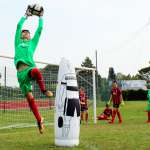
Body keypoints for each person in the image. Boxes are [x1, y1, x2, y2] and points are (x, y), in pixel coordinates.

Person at [14, 7, 53, 134]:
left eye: (27, 32)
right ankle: (39, 120)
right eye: (23, 32)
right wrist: (26, 15)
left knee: (36, 71)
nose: (25, 32)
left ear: (30, 36)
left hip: (29, 69)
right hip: (20, 75)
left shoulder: (32, 43)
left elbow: (40, 30)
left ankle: (44, 90)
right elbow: (19, 25)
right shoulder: (17, 43)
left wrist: (40, 17)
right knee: (30, 99)